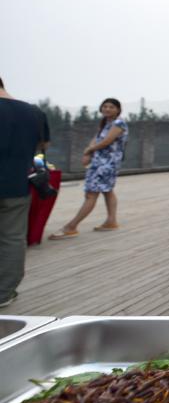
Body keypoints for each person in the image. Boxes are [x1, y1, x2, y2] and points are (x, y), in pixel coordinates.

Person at [0, 77, 50, 308]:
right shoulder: (33, 113)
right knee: (12, 238)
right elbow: (43, 146)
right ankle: (4, 293)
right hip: (16, 185)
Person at [50, 98, 128, 239]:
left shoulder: (119, 123)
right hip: (101, 162)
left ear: (118, 109)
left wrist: (88, 151)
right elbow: (97, 139)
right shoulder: (106, 123)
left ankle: (71, 227)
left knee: (91, 194)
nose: (107, 109)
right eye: (105, 106)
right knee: (107, 191)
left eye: (111, 107)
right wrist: (89, 151)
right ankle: (111, 221)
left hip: (106, 164)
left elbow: (106, 141)